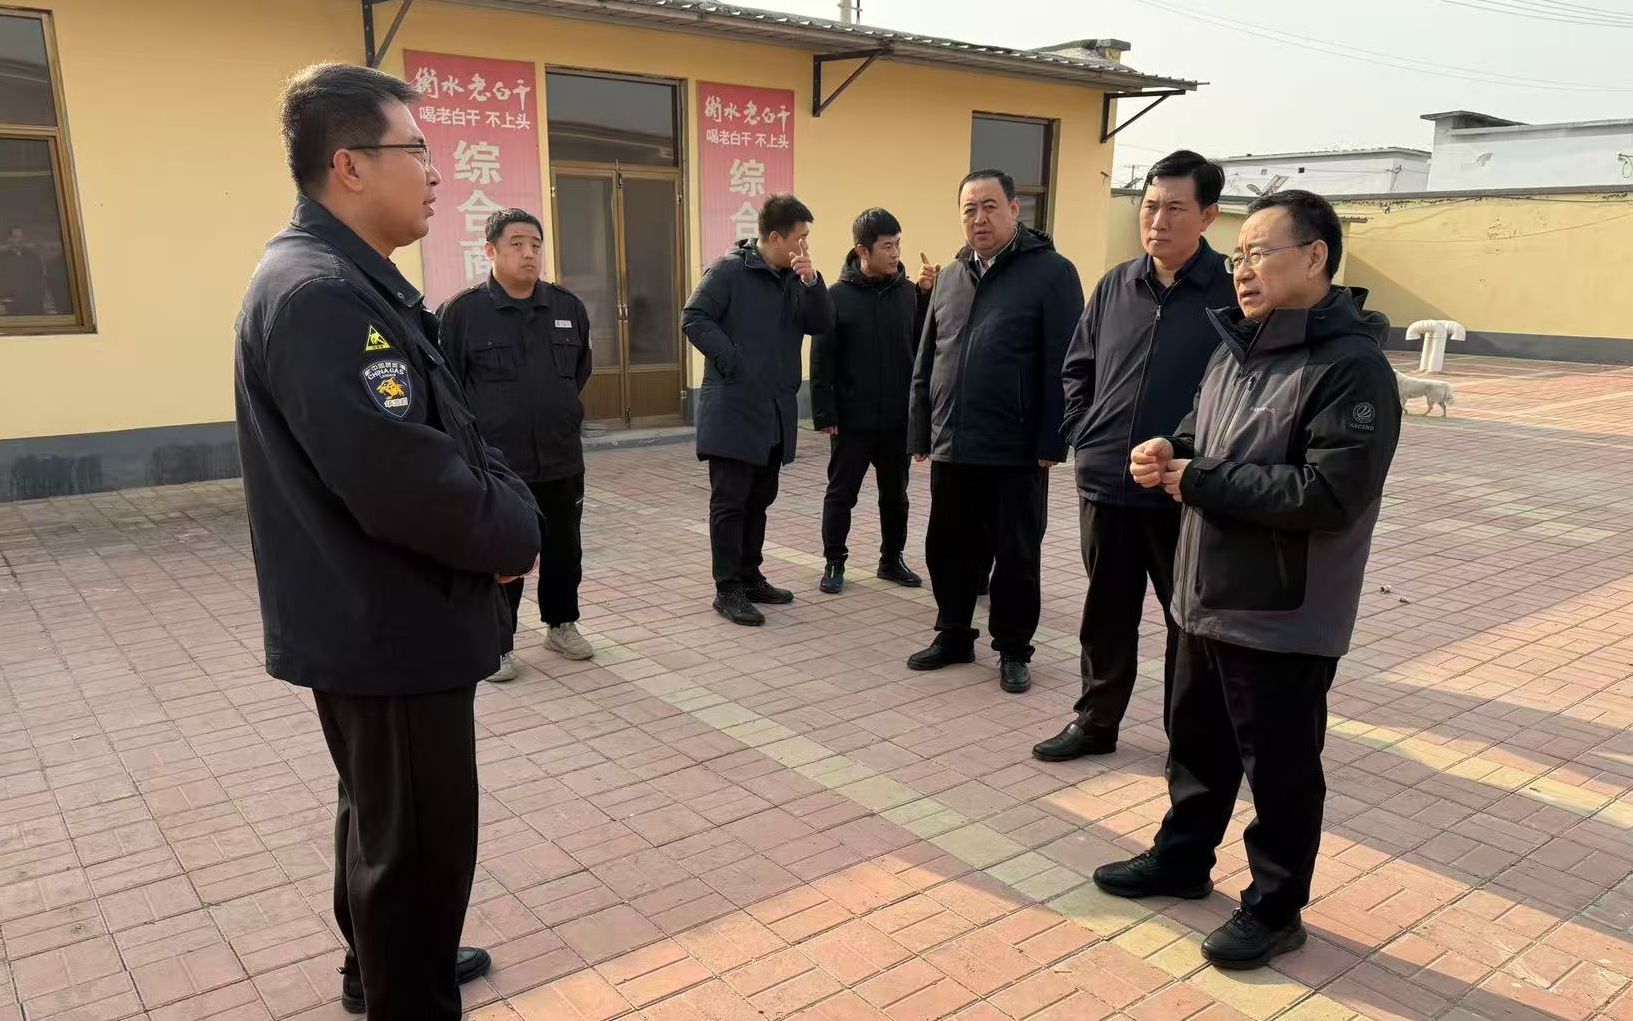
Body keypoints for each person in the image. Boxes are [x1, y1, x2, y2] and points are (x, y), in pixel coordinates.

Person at [234, 63, 540, 1017]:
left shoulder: (349, 281)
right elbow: (405, 481)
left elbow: (449, 431)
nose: (437, 173)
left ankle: (374, 968)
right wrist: (513, 532)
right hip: (391, 625)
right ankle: (402, 981)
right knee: (415, 852)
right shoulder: (321, 295)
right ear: (350, 166)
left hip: (378, 620)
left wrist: (502, 504)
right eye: (417, 150)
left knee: (379, 817)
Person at [1093, 190, 1401, 971]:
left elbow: (1329, 493)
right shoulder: (1235, 346)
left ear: (1316, 256)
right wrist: (1169, 450)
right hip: (1204, 596)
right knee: (1195, 745)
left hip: (1282, 608)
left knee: (1281, 769)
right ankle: (1181, 858)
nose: (1242, 269)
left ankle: (1274, 907)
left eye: (1260, 252)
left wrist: (1198, 479)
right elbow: (1199, 437)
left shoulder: (1351, 367)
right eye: (1238, 255)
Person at [1034, 151, 1237, 762]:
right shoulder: (1115, 285)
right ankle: (1096, 722)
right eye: (1150, 206)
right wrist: (1084, 432)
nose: (1158, 221)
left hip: (1183, 491)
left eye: (1175, 208)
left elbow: (1242, 392)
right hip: (1107, 484)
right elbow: (1077, 368)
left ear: (1208, 216)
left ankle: (1187, 741)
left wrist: (1197, 460)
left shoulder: (1232, 293)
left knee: (1188, 622)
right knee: (1106, 613)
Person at [907, 169, 1084, 693]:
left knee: (1016, 553)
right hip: (954, 441)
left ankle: (1012, 648)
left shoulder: (1052, 273)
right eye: (969, 209)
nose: (978, 219)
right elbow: (928, 357)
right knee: (948, 546)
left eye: (989, 207)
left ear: (1014, 209)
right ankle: (953, 634)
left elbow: (1068, 362)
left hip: (1017, 446)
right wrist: (920, 429)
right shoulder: (950, 277)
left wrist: (1054, 438)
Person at [440, 207, 595, 677]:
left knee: (564, 547)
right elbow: (448, 389)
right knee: (503, 550)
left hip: (561, 456)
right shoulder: (463, 314)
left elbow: (579, 373)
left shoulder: (567, 308)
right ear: (490, 250)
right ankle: (498, 644)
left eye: (536, 245)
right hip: (498, 464)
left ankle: (561, 624)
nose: (529, 253)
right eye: (517, 244)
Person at [683, 194, 835, 626]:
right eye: (801, 237)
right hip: (733, 408)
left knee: (760, 498)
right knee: (730, 502)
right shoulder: (729, 271)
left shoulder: (796, 278)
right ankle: (727, 588)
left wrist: (813, 283)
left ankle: (750, 576)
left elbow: (822, 324)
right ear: (775, 237)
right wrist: (734, 361)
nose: (805, 246)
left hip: (774, 409)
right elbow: (694, 317)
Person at [810, 208, 935, 594]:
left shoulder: (907, 293)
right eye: (887, 246)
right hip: (852, 420)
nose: (896, 253)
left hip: (896, 419)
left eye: (898, 244)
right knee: (841, 494)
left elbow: (921, 346)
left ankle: (891, 560)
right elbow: (822, 357)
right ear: (862, 251)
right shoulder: (837, 296)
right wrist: (825, 413)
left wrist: (926, 296)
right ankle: (834, 561)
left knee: (895, 496)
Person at [0, 226, 49, 316]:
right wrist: (3, 298)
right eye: (15, 237)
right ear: (9, 239)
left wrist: (39, 299)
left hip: (32, 303)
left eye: (20, 237)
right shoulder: (2, 258)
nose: (18, 240)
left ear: (24, 238)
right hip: (10, 303)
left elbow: (40, 279)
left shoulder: (33, 257)